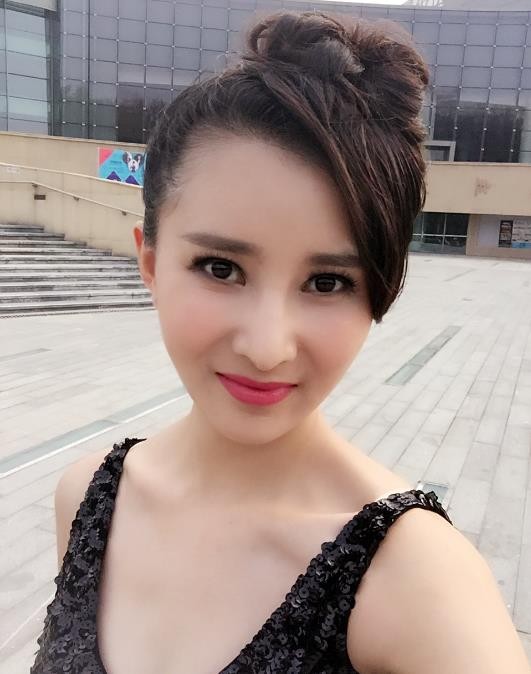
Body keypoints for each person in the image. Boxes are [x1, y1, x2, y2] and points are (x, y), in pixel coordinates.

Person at [31, 9, 530, 674]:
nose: (267, 348)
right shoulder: (89, 498)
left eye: (327, 282)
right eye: (220, 268)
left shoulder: (416, 582)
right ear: (149, 261)